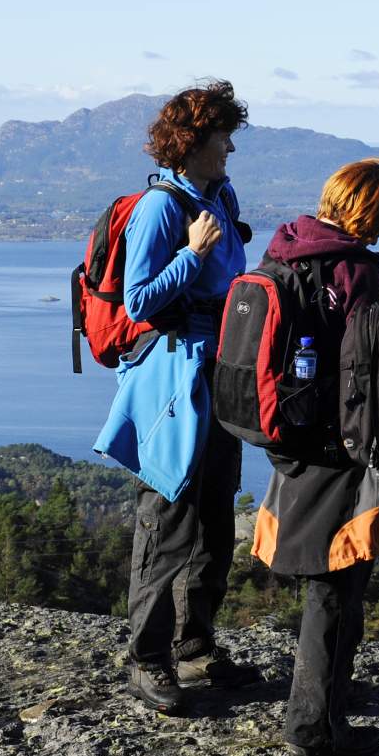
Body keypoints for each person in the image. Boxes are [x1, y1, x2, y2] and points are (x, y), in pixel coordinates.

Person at [94, 80, 260, 714]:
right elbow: (140, 300)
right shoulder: (161, 209)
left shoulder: (219, 195)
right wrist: (191, 256)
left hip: (219, 373)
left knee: (215, 520)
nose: (229, 150)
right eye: (223, 138)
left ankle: (196, 647)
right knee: (167, 518)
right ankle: (148, 658)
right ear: (194, 141)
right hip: (173, 377)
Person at [247, 158, 379, 756]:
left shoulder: (285, 248)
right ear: (369, 214)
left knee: (327, 582)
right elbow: (365, 371)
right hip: (334, 448)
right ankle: (314, 726)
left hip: (287, 437)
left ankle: (323, 704)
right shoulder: (351, 268)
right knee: (338, 585)